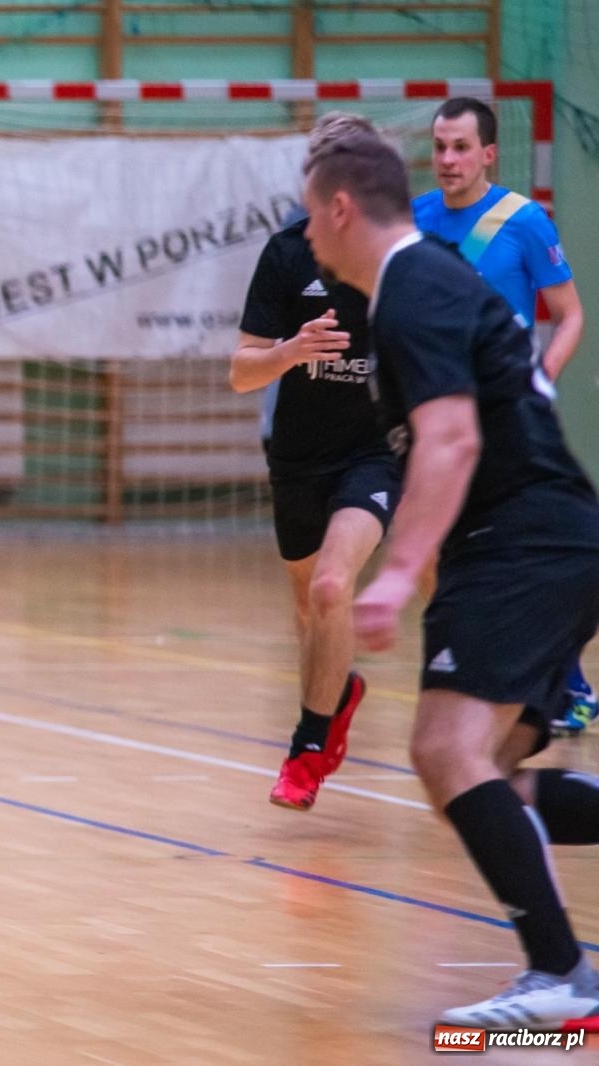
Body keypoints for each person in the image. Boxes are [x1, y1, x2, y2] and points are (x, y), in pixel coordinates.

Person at [306, 131, 599, 1027]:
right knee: (485, 776)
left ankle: (563, 980)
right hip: (536, 540)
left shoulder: (413, 289)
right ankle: (564, 981)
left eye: (310, 213)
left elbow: (453, 438)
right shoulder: (419, 283)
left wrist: (397, 575)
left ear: (340, 208)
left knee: (445, 752)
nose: (306, 232)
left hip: (523, 541)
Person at [231, 112, 397, 812]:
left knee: (333, 585)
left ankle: (305, 749)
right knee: (311, 608)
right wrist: (290, 351)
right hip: (299, 457)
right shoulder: (285, 255)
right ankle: (339, 692)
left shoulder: (398, 258)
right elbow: (241, 372)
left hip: (374, 455)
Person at [415, 96, 592, 735]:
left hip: (510, 421)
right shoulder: (416, 220)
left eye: (461, 147)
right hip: (442, 417)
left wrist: (540, 380)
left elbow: (570, 315)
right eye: (440, 146)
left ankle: (566, 683)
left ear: (489, 153)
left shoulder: (523, 220)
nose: (448, 159)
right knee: (438, 550)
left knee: (520, 556)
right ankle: (481, 673)